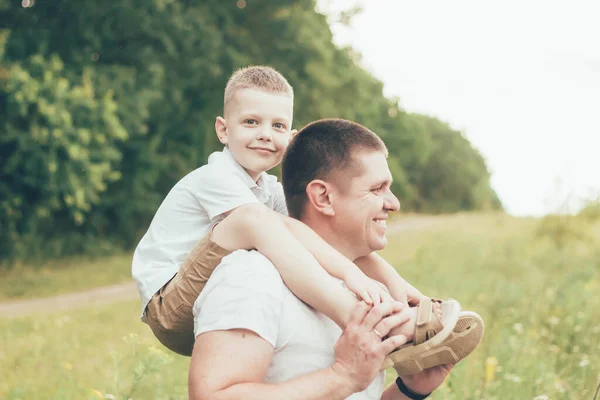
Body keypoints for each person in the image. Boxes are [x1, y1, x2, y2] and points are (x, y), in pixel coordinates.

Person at [131, 65, 471, 371]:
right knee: (253, 220)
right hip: (168, 305)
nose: (265, 133)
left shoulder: (267, 190)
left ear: (290, 137)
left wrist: (403, 292)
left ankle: (414, 306)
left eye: (277, 125)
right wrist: (348, 273)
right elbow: (268, 225)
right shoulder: (216, 177)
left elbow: (300, 233)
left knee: (304, 230)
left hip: (209, 307)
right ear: (223, 130)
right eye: (251, 122)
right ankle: (362, 323)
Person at [188, 118, 485, 399]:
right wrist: (341, 376)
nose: (394, 203)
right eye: (377, 189)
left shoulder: (368, 291)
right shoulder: (253, 275)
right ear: (324, 198)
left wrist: (410, 391)